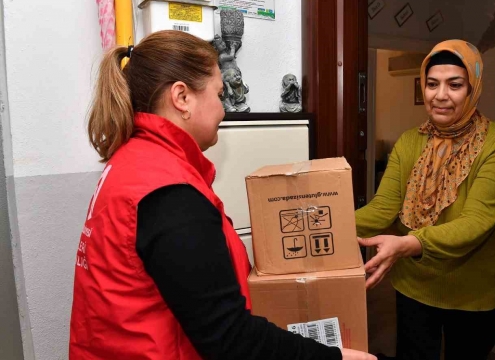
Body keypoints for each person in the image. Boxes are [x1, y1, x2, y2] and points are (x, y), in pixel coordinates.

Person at [69, 30, 375, 360]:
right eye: (219, 93)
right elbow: (230, 338)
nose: (224, 108)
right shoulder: (170, 194)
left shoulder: (132, 163)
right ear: (182, 98)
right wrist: (335, 357)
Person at [355, 40, 495, 360]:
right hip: (413, 286)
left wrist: (407, 244)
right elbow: (384, 207)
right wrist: (328, 225)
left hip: (474, 293)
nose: (440, 95)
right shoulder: (409, 141)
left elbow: (475, 223)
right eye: (432, 84)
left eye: (455, 85)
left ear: (473, 89)